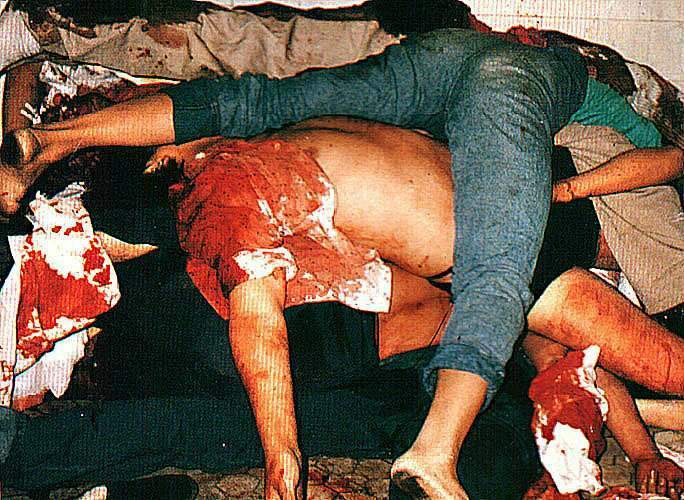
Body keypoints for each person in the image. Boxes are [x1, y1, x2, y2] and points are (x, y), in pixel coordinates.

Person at [0, 29, 672, 498]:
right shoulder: (531, 246)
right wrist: (283, 461)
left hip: (389, 294)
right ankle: (434, 454)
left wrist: (640, 437)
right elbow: (257, 325)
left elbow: (575, 368)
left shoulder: (258, 171)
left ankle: (53, 154)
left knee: (259, 104)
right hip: (351, 316)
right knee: (500, 304)